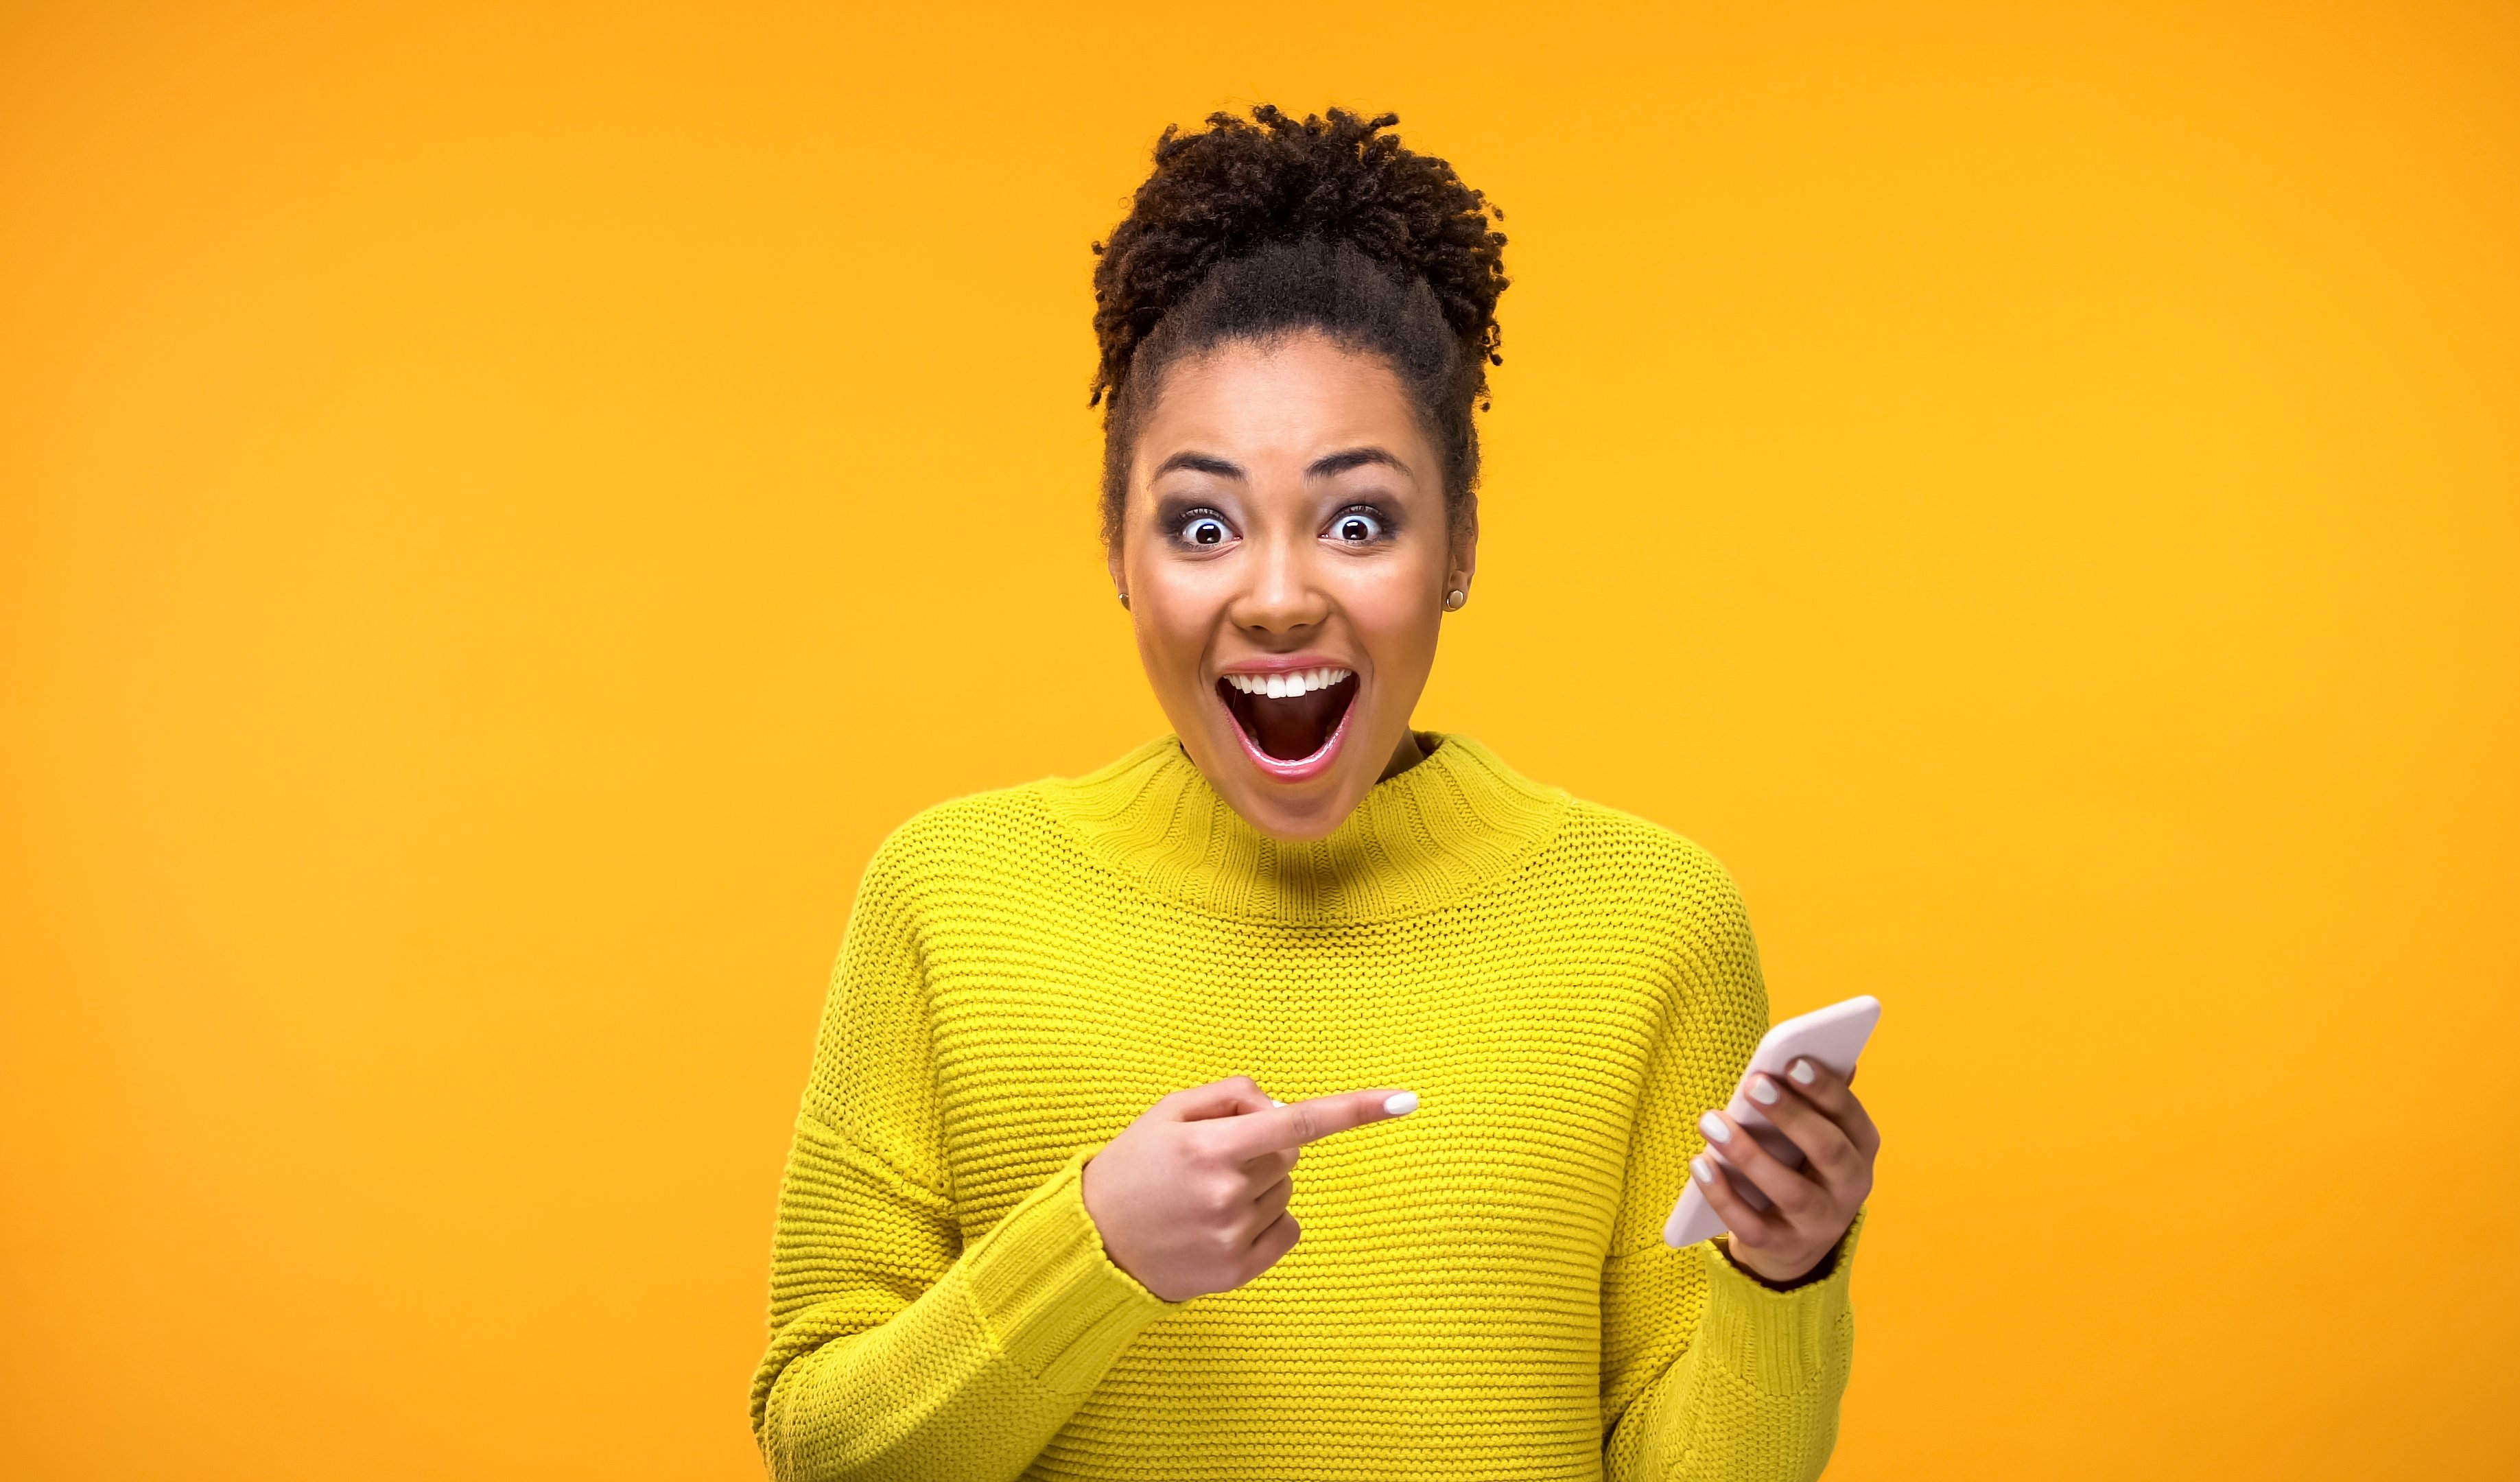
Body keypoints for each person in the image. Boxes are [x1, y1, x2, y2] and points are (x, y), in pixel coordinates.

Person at [749, 106, 1879, 1482]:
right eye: (1203, 523)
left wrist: (1783, 1278)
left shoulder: (1653, 924)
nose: (1279, 598)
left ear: (1457, 545)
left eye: (1358, 521)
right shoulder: (952, 897)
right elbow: (823, 1455)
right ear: (1121, 550)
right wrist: (1095, 1247)